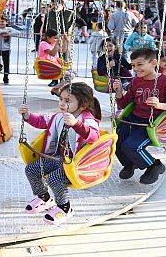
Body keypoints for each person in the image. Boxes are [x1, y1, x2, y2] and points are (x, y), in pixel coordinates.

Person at [18, 82, 100, 225]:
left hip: (75, 163)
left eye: (67, 101)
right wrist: (27, 115)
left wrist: (76, 124)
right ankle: (44, 197)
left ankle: (65, 207)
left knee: (54, 178)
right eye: (61, 99)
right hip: (57, 157)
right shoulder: (59, 116)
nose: (62, 103)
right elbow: (42, 121)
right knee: (31, 169)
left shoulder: (86, 119)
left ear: (83, 105)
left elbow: (93, 136)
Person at [113, 48, 166, 184]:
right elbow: (123, 104)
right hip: (133, 119)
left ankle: (154, 165)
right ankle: (130, 163)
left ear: (153, 63)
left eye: (140, 64)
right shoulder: (135, 82)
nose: (136, 68)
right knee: (116, 142)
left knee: (131, 146)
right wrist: (119, 92)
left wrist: (160, 105)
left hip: (151, 123)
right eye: (133, 65)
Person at [0, 18, 19, 85]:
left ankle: (6, 78)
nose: (1, 23)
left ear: (6, 22)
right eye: (0, 22)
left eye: (3, 22)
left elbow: (18, 32)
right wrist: (1, 32)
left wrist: (8, 34)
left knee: (6, 63)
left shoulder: (9, 29)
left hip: (6, 49)